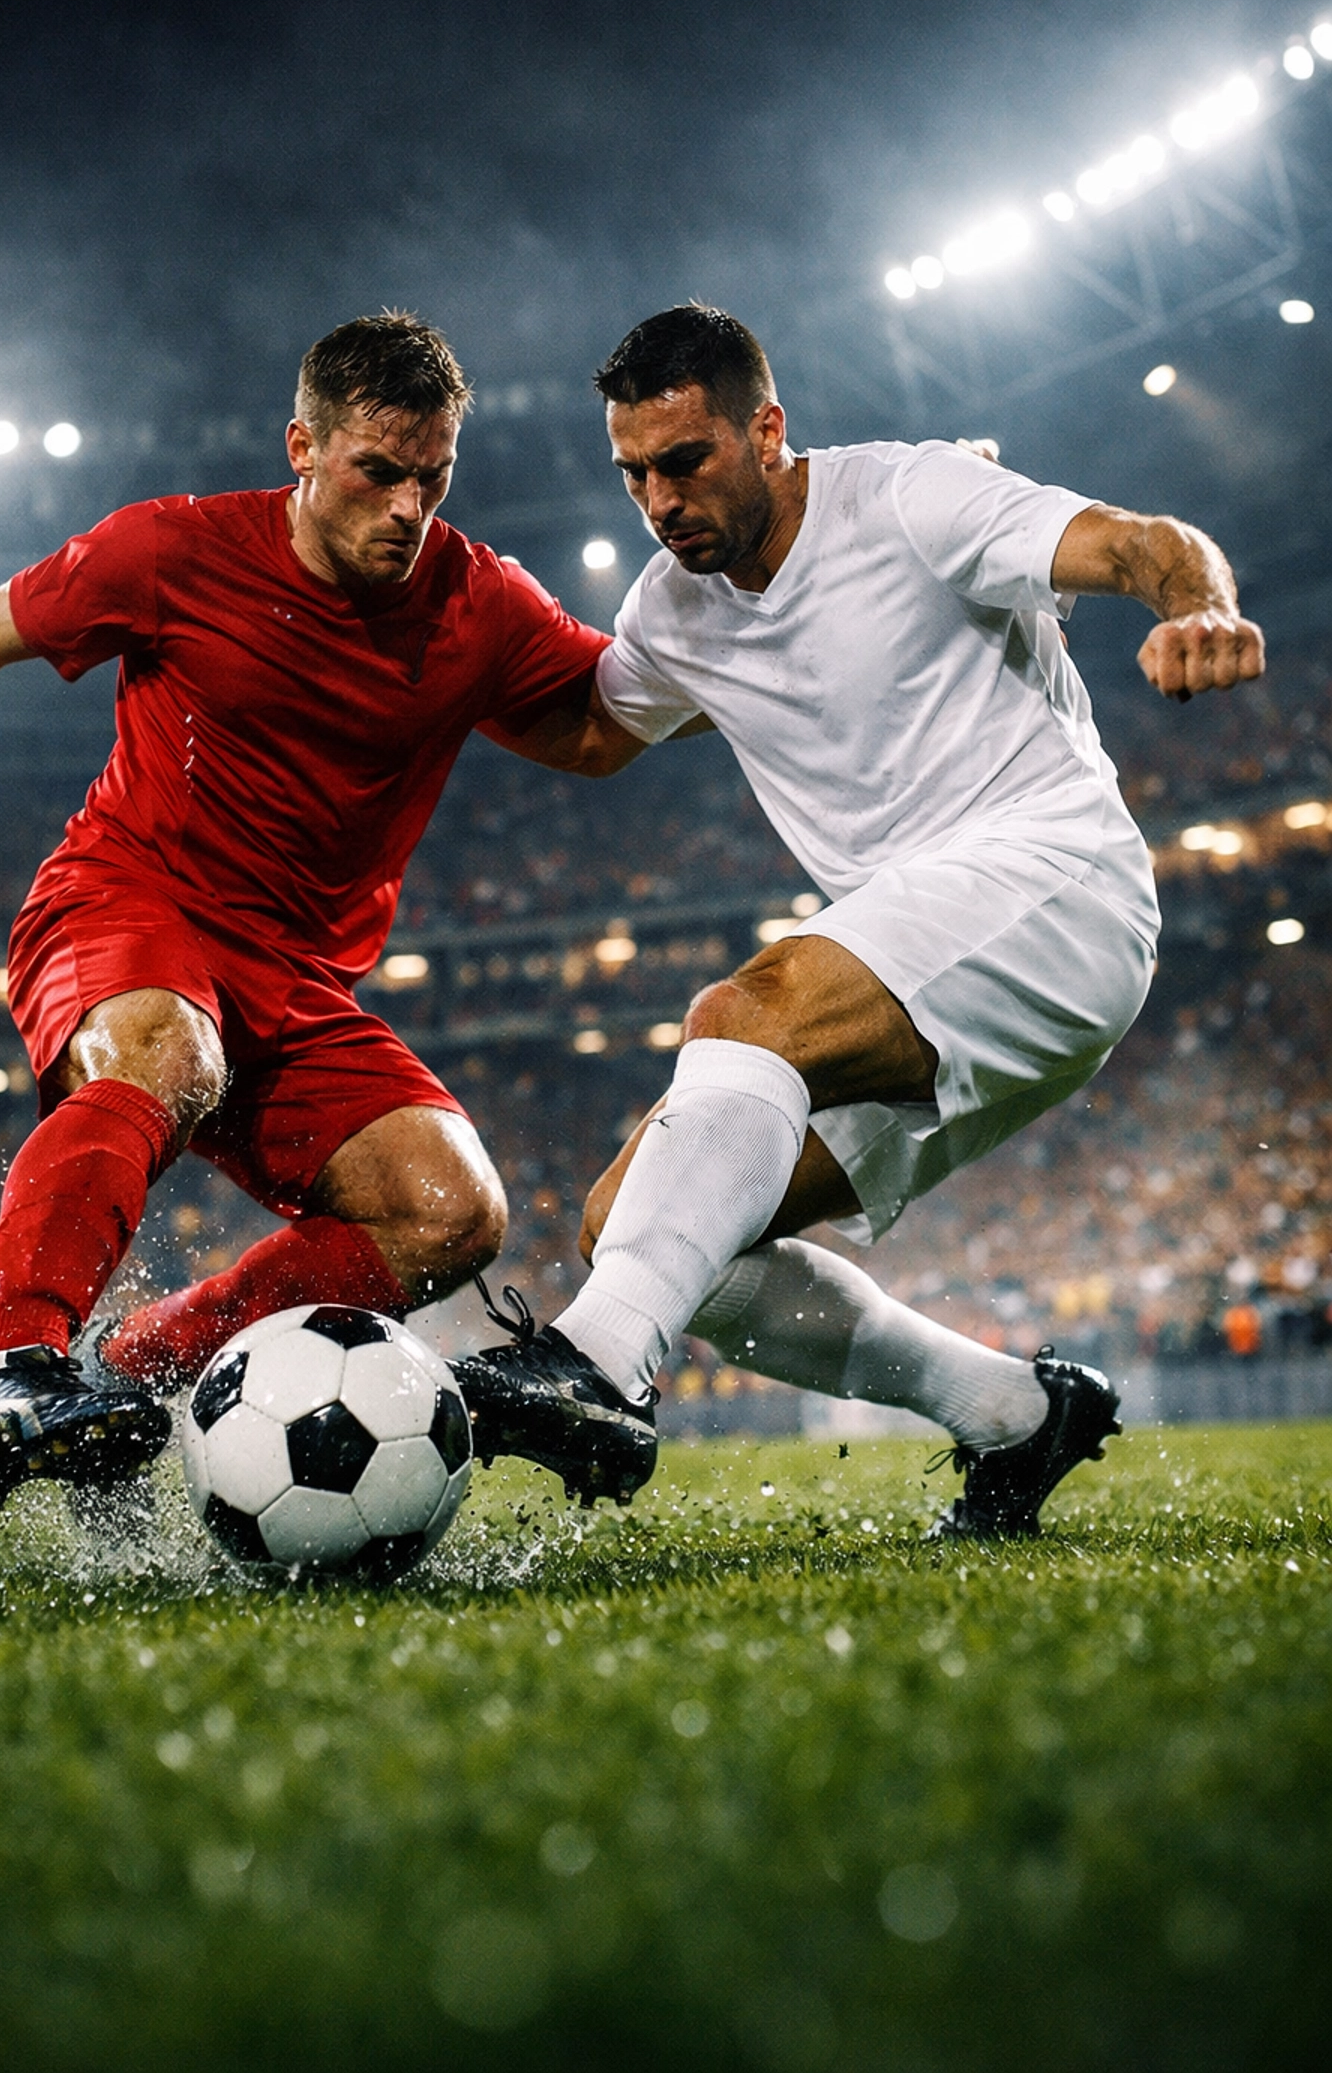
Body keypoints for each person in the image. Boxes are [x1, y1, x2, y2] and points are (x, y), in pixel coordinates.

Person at [0, 313, 653, 1514]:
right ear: (301, 448)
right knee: (165, 1049)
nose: (408, 508)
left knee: (450, 1211)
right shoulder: (175, 550)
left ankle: (141, 1378)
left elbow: (602, 726)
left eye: (432, 476)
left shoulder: (479, 603)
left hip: (296, 980)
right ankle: (6, 1369)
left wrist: (777, 650)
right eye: (377, 472)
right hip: (129, 899)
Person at [455, 303, 1265, 1536]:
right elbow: (587, 732)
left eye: (687, 462)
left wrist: (1194, 605)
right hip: (922, 961)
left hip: (1059, 888)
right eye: (635, 476)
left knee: (746, 1015)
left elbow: (1143, 542)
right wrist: (416, 659)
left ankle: (600, 1367)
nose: (660, 503)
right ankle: (1012, 1414)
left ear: (767, 431)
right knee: (647, 1227)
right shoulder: (672, 612)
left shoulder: (909, 499)